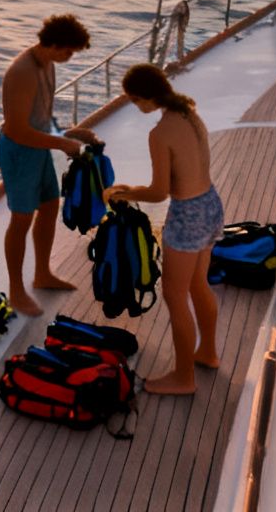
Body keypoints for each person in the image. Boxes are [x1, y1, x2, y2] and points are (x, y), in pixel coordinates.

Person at [104, 63, 222, 395]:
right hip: (211, 203)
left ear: (141, 98)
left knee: (175, 295)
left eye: (132, 101)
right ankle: (208, 352)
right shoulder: (189, 113)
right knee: (199, 284)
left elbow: (160, 192)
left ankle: (184, 378)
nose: (135, 107)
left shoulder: (159, 132)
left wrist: (124, 192)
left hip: (187, 215)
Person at [0, 13, 96, 317]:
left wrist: (68, 133)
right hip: (19, 152)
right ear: (52, 44)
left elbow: (38, 118)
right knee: (21, 218)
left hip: (38, 146)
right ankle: (16, 291)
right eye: (68, 51)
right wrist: (62, 144)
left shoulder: (48, 64)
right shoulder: (22, 72)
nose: (69, 57)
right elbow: (16, 130)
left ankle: (42, 273)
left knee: (50, 205)